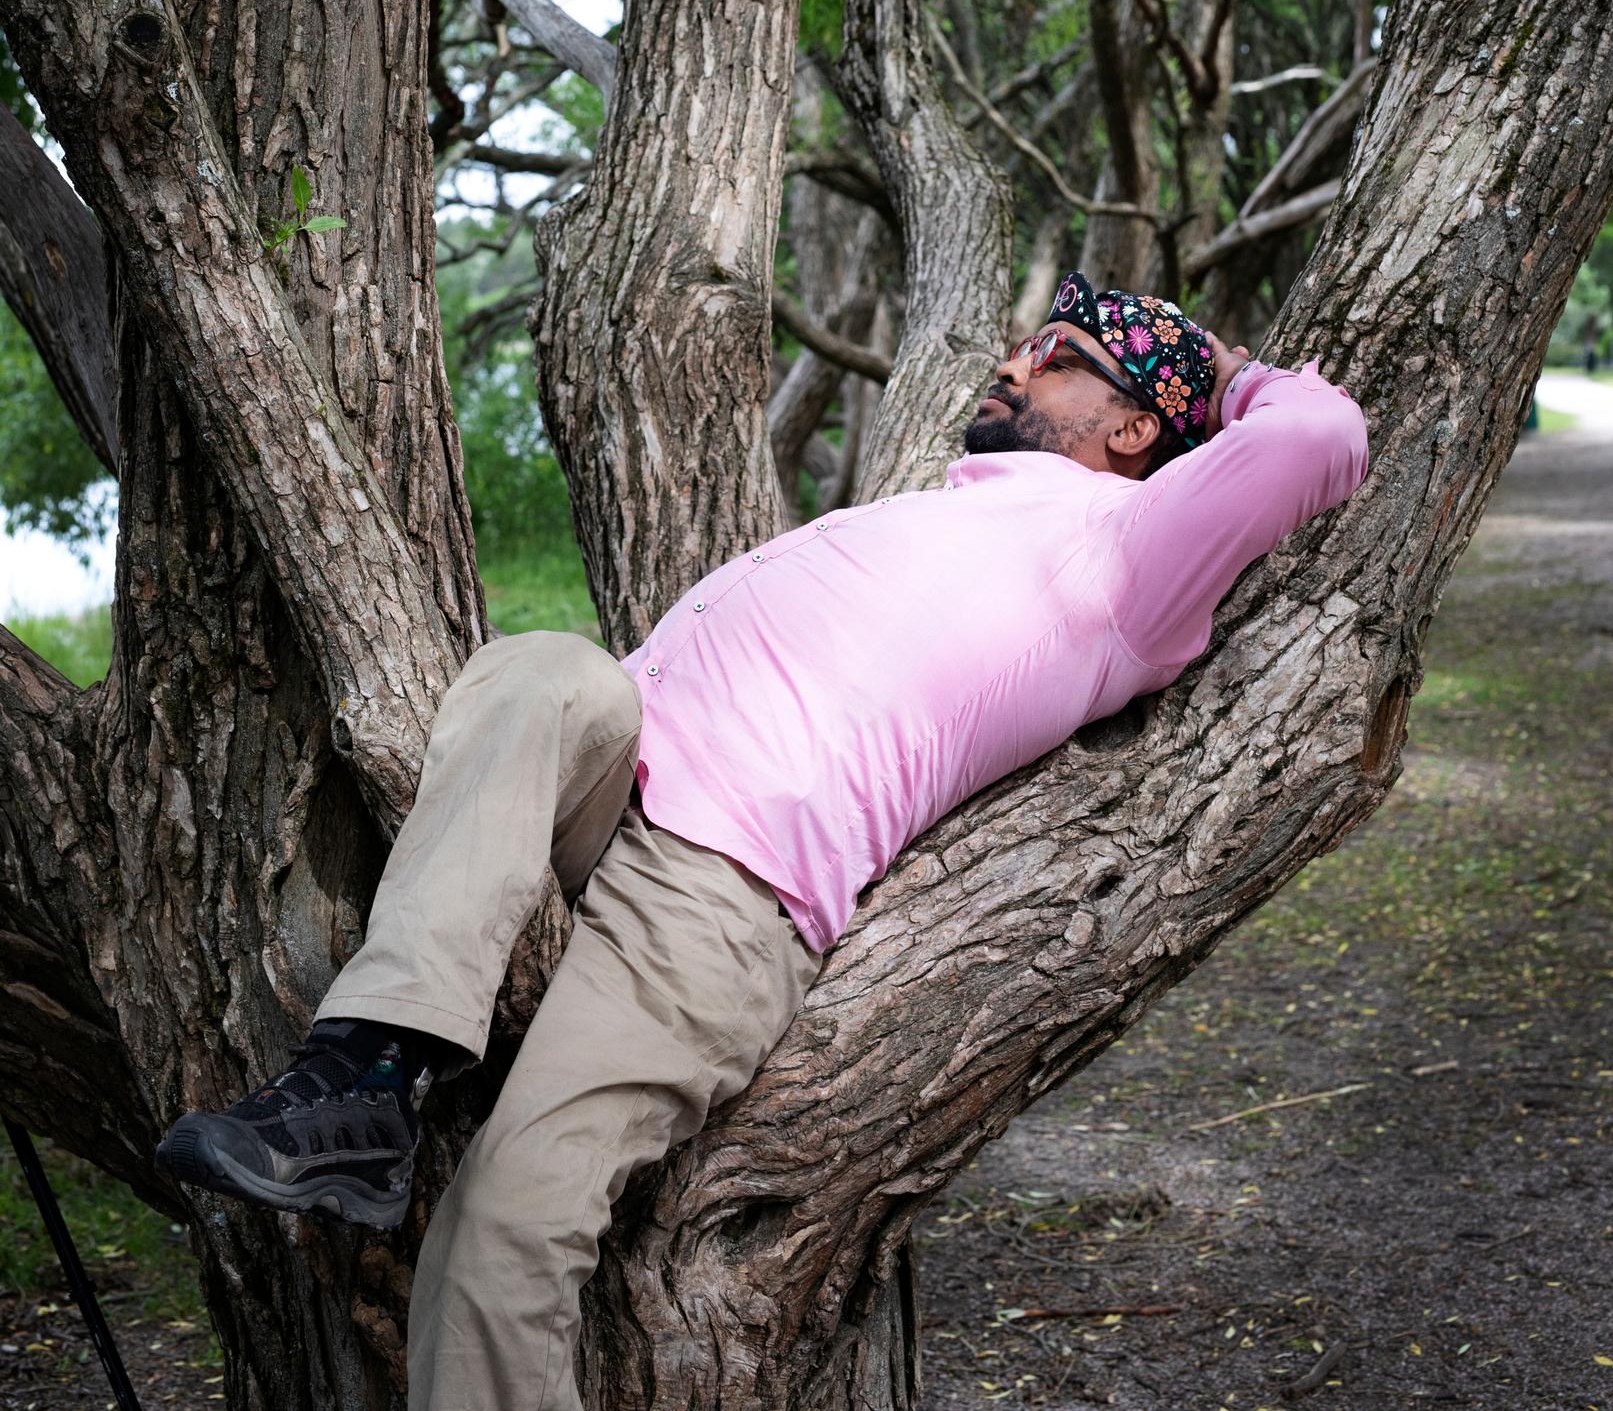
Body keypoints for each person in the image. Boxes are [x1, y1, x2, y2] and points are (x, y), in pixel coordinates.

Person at [155, 274, 1367, 1411]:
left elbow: (1318, 443)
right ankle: (365, 1080)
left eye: (1057, 356)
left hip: (721, 895)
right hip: (614, 767)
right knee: (543, 671)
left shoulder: (1134, 552)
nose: (1013, 361)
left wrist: (1219, 365)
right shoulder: (947, 506)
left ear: (1136, 428)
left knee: (506, 1226)